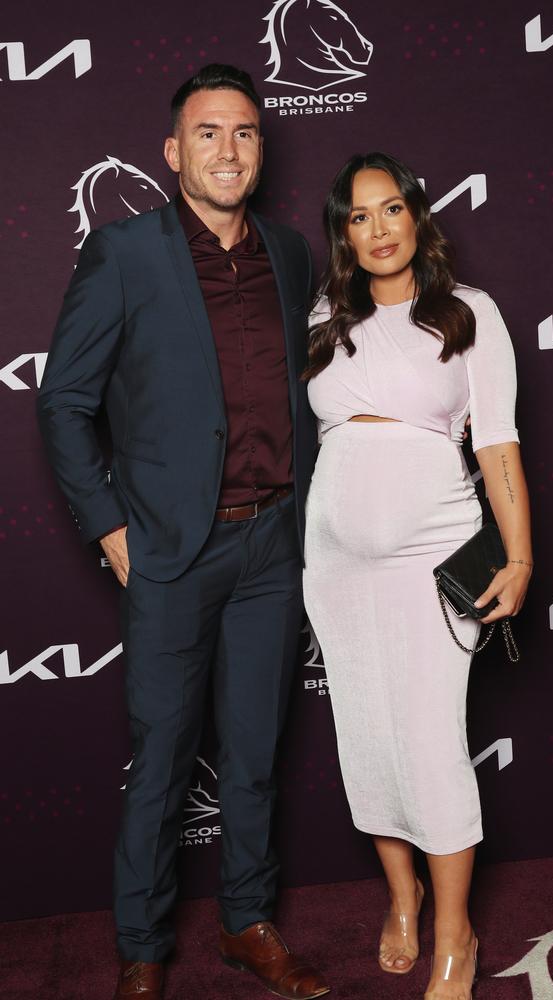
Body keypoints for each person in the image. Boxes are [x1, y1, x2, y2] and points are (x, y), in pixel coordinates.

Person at [37, 64, 329, 1000]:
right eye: (208, 133)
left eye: (244, 131)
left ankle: (247, 923)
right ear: (173, 153)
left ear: (261, 147)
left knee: (253, 752)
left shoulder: (289, 253)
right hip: (171, 551)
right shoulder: (125, 252)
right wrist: (111, 528)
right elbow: (65, 400)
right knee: (161, 760)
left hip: (271, 546)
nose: (228, 149)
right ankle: (143, 949)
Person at [302, 152, 532, 1000]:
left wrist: (520, 555)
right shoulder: (327, 312)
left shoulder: (469, 313)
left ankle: (453, 933)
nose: (378, 228)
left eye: (390, 208)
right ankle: (400, 899)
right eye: (358, 217)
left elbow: (497, 441)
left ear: (417, 217)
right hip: (334, 563)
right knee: (367, 741)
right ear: (344, 235)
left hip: (430, 558)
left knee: (431, 747)